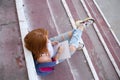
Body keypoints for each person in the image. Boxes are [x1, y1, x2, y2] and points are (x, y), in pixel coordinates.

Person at [24, 17, 94, 76]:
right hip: (56, 55)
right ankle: (81, 27)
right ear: (40, 45)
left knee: (71, 33)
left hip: (53, 47)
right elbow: (54, 60)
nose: (48, 40)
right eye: (46, 40)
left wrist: (51, 43)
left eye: (47, 38)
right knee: (72, 48)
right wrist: (59, 52)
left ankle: (76, 39)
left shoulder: (43, 43)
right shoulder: (42, 58)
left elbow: (48, 43)